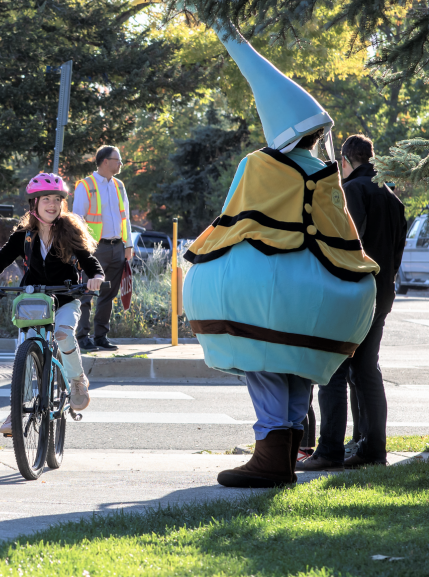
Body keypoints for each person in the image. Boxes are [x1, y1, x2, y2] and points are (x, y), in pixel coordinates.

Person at [182, 21, 379, 489]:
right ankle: (285, 455)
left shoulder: (260, 163)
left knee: (264, 361)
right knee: (298, 369)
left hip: (269, 288)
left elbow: (234, 217)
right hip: (322, 292)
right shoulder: (326, 172)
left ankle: (270, 455)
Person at [298, 135, 407, 471]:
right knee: (366, 369)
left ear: (345, 160)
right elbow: (397, 252)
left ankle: (329, 451)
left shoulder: (353, 192)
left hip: (353, 291)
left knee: (333, 367)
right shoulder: (392, 197)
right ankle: (372, 450)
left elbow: (346, 244)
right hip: (382, 291)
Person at [0, 173, 106, 436]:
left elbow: (87, 258)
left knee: (63, 333)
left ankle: (77, 381)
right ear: (34, 204)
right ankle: (17, 411)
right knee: (25, 350)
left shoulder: (69, 231)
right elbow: (2, 256)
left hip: (66, 297)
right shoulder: (24, 234)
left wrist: (96, 277)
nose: (52, 204)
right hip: (34, 300)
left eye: (57, 199)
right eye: (46, 199)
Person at [71, 146, 133, 352]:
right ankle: (82, 337)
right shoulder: (85, 186)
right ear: (105, 161)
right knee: (87, 293)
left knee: (108, 294)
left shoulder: (119, 186)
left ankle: (100, 337)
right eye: (118, 160)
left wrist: (128, 245)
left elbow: (126, 218)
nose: (120, 164)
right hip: (93, 249)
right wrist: (81, 251)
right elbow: (77, 220)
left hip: (117, 248)